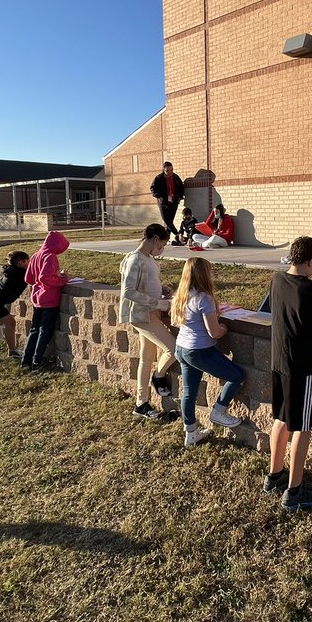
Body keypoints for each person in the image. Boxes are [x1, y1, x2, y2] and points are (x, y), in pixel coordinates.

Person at [264, 236, 312, 511]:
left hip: (279, 362)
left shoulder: (277, 280)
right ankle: (294, 491)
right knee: (302, 426)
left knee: (281, 419)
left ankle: (274, 476)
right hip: (303, 367)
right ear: (311, 261)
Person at [170, 257, 246, 446]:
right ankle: (219, 411)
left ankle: (191, 433)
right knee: (237, 376)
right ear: (204, 275)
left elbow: (176, 322)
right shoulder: (204, 297)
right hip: (200, 351)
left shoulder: (181, 295)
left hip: (182, 348)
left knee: (189, 392)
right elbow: (214, 332)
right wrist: (224, 329)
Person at [120, 223, 177, 420]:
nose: (161, 249)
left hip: (152, 313)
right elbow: (128, 292)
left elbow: (149, 283)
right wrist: (158, 303)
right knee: (174, 348)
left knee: (146, 359)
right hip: (142, 316)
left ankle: (141, 403)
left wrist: (163, 289)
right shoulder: (135, 260)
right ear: (154, 239)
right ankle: (158, 376)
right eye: (161, 244)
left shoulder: (149, 259)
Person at [21, 231, 70, 373]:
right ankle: (37, 361)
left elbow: (29, 279)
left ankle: (26, 360)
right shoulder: (50, 256)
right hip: (49, 299)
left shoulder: (36, 255)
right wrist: (62, 280)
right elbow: (45, 277)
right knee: (45, 331)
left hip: (36, 298)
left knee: (34, 329)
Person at [150, 161, 185, 244]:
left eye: (171, 170)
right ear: (163, 170)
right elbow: (153, 188)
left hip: (173, 202)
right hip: (163, 202)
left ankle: (165, 239)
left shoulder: (176, 177)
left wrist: (180, 197)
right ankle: (177, 234)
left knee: (170, 221)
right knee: (166, 219)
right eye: (167, 170)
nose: (170, 172)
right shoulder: (159, 178)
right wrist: (159, 196)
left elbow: (181, 187)